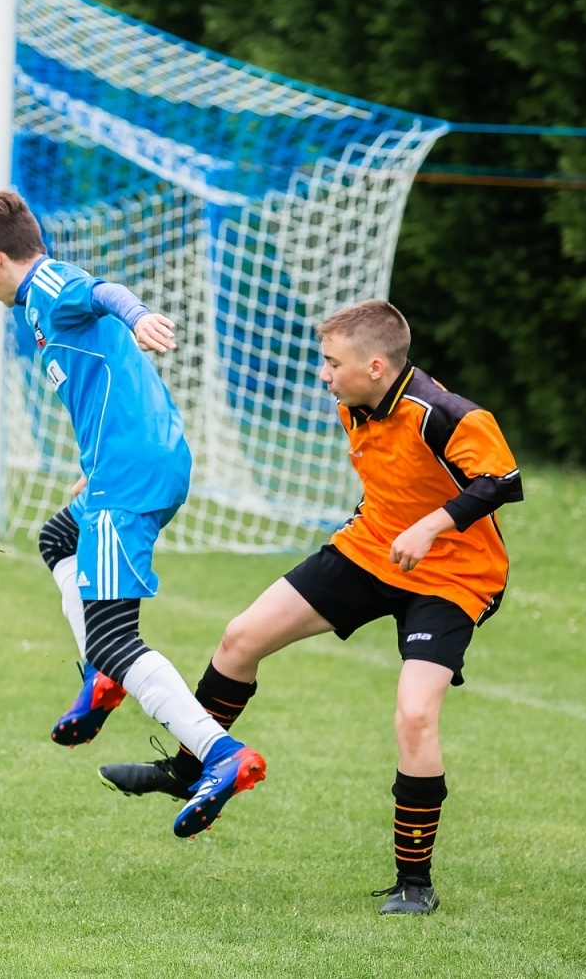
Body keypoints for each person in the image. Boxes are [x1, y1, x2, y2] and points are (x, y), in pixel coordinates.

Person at [99, 300, 522, 912]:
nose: (324, 375)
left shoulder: (448, 413)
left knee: (414, 717)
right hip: (370, 550)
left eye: (332, 363)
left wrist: (431, 527)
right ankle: (191, 771)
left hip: (453, 578)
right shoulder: (356, 405)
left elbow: (503, 481)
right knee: (240, 638)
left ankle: (414, 886)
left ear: (376, 366)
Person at [0, 190, 265, 838]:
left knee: (114, 637)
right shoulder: (39, 305)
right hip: (124, 468)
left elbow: (102, 291)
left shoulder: (46, 283)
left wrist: (141, 314)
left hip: (131, 476)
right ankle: (102, 679)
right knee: (57, 538)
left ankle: (221, 755)